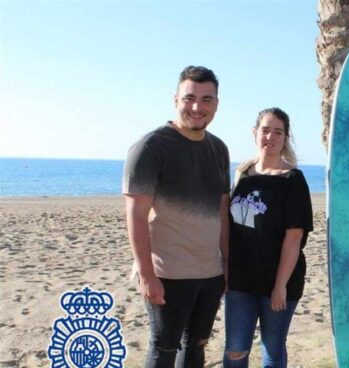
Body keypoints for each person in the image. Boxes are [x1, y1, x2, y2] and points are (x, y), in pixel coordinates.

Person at [122, 65, 230, 368]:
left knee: (196, 346)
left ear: (216, 104)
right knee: (164, 348)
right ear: (175, 99)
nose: (198, 107)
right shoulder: (150, 147)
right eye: (190, 98)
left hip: (209, 273)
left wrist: (226, 262)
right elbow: (136, 214)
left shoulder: (219, 149)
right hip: (167, 273)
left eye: (207, 99)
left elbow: (222, 210)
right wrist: (146, 274)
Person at [223, 107, 313, 368]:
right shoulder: (242, 174)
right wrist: (225, 267)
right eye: (265, 130)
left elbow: (294, 237)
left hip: (279, 281)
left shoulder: (292, 180)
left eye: (278, 132)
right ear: (255, 132)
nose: (270, 137)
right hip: (240, 281)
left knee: (272, 349)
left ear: (285, 138)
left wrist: (280, 285)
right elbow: (230, 227)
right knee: (236, 349)